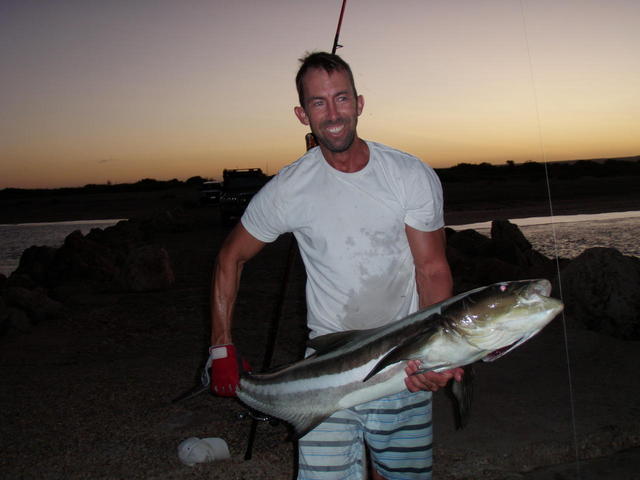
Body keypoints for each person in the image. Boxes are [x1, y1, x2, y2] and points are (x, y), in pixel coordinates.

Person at [207, 52, 463, 480]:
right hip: (325, 363)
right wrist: (221, 347)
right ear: (301, 113)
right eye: (318, 103)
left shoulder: (408, 175)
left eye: (341, 98)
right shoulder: (289, 188)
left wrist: (435, 358)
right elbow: (230, 256)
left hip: (402, 357)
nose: (333, 114)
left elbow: (432, 269)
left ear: (360, 103)